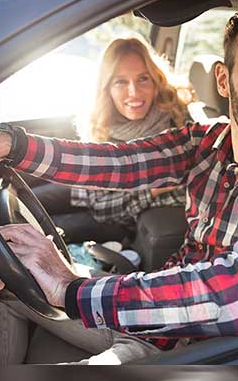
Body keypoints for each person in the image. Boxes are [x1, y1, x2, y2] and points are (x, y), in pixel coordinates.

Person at [0, 0, 238, 365]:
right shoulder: (207, 142)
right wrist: (3, 143)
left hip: (202, 348)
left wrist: (70, 288)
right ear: (223, 79)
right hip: (150, 306)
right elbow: (112, 162)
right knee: (4, 284)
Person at [31, 37, 188, 244]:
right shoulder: (104, 120)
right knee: (30, 202)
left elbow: (104, 208)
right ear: (107, 88)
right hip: (92, 193)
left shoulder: (178, 126)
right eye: (121, 81)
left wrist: (152, 191)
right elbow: (95, 189)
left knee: (45, 230)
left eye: (143, 79)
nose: (133, 92)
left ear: (156, 81)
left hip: (121, 219)